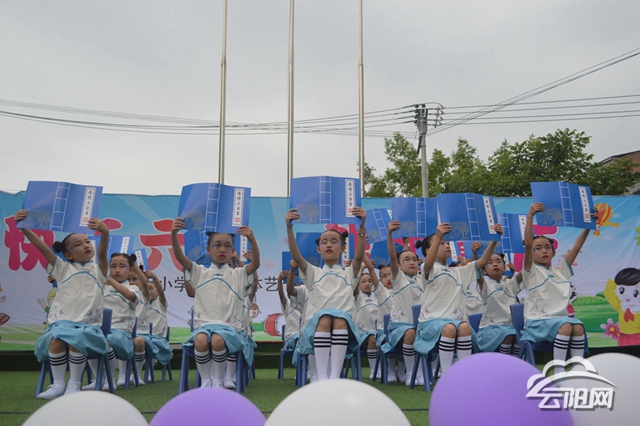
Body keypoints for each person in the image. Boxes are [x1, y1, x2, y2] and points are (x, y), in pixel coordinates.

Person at [14, 209, 110, 399]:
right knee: (56, 341)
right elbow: (42, 247)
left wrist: (105, 233)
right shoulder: (62, 268)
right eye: (78, 244)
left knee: (76, 340)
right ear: (69, 255)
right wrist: (23, 227)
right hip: (62, 324)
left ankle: (74, 384)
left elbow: (102, 254)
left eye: (87, 241)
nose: (85, 245)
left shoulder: (99, 271)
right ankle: (58, 384)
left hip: (88, 327)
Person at [171, 218, 260, 388]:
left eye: (227, 246)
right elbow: (180, 258)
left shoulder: (237, 274)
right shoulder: (200, 272)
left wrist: (252, 240)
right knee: (200, 339)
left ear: (232, 251)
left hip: (229, 328)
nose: (222, 249)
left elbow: (255, 264)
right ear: (208, 249)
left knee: (218, 340)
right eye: (217, 245)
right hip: (204, 325)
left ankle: (219, 380)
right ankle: (206, 381)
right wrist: (174, 234)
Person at [285, 208, 367, 381]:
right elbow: (297, 257)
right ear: (318, 249)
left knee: (339, 319)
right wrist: (289, 228)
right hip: (316, 326)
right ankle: (322, 376)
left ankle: (335, 376)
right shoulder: (313, 272)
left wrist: (362, 226)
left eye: (334, 241)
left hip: (344, 326)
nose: (329, 245)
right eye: (324, 242)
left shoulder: (349, 273)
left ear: (343, 248)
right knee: (325, 318)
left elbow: (359, 257)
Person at [414, 222, 502, 377]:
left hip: (456, 323)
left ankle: (463, 375)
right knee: (449, 328)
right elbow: (427, 264)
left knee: (464, 327)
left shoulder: (460, 272)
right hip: (431, 323)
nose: (447, 245)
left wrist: (495, 239)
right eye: (442, 243)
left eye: (447, 243)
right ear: (428, 250)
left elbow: (482, 261)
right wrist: (438, 236)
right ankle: (447, 376)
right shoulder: (429, 269)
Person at [522, 202, 593, 374]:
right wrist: (530, 216)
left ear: (553, 253)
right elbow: (528, 245)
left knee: (578, 327)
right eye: (538, 248)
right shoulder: (531, 271)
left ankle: (577, 370)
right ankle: (559, 371)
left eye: (548, 247)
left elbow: (576, 247)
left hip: (560, 321)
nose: (544, 251)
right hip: (537, 323)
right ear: (532, 252)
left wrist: (588, 226)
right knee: (567, 326)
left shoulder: (560, 271)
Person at [84, 253, 144, 390]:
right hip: (100, 330)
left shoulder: (133, 288)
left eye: (122, 266)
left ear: (130, 270)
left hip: (122, 334)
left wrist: (109, 279)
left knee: (106, 340)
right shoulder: (102, 287)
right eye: (113, 266)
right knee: (86, 339)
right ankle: (100, 378)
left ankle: (110, 379)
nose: (117, 270)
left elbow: (130, 296)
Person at [380, 220, 425, 386]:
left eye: (415, 259)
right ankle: (412, 373)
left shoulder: (423, 279)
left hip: (421, 326)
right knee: (410, 333)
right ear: (399, 265)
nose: (412, 262)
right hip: (400, 327)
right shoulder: (398, 278)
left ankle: (425, 372)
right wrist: (390, 235)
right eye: (406, 260)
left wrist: (407, 245)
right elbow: (393, 256)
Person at [476, 253, 523, 355]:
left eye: (498, 261)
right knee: (509, 334)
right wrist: (476, 255)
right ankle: (505, 362)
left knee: (518, 334)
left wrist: (529, 248)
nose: (495, 264)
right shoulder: (485, 285)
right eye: (490, 262)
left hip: (511, 328)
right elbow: (476, 270)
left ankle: (515, 362)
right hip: (490, 329)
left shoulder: (510, 284)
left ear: (504, 267)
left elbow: (526, 271)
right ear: (485, 270)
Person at [353, 256, 380, 379]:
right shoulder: (357, 297)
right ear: (359, 285)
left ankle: (394, 371)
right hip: (362, 336)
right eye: (363, 282)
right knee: (372, 339)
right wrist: (363, 267)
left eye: (369, 281)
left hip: (378, 333)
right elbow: (353, 284)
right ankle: (374, 370)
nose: (367, 284)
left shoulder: (377, 298)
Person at [129, 263, 153, 385]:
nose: (131, 283)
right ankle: (122, 376)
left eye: (135, 279)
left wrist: (134, 265)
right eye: (129, 280)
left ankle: (137, 375)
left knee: (138, 341)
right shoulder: (124, 293)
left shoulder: (144, 295)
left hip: (141, 333)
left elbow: (144, 284)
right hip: (126, 331)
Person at [145, 270, 173, 375]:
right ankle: (135, 373)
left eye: (151, 288)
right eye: (146, 289)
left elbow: (161, 292)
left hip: (158, 338)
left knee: (149, 343)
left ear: (157, 292)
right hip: (144, 336)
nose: (149, 291)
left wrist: (154, 277)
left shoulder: (161, 304)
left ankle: (149, 373)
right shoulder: (141, 304)